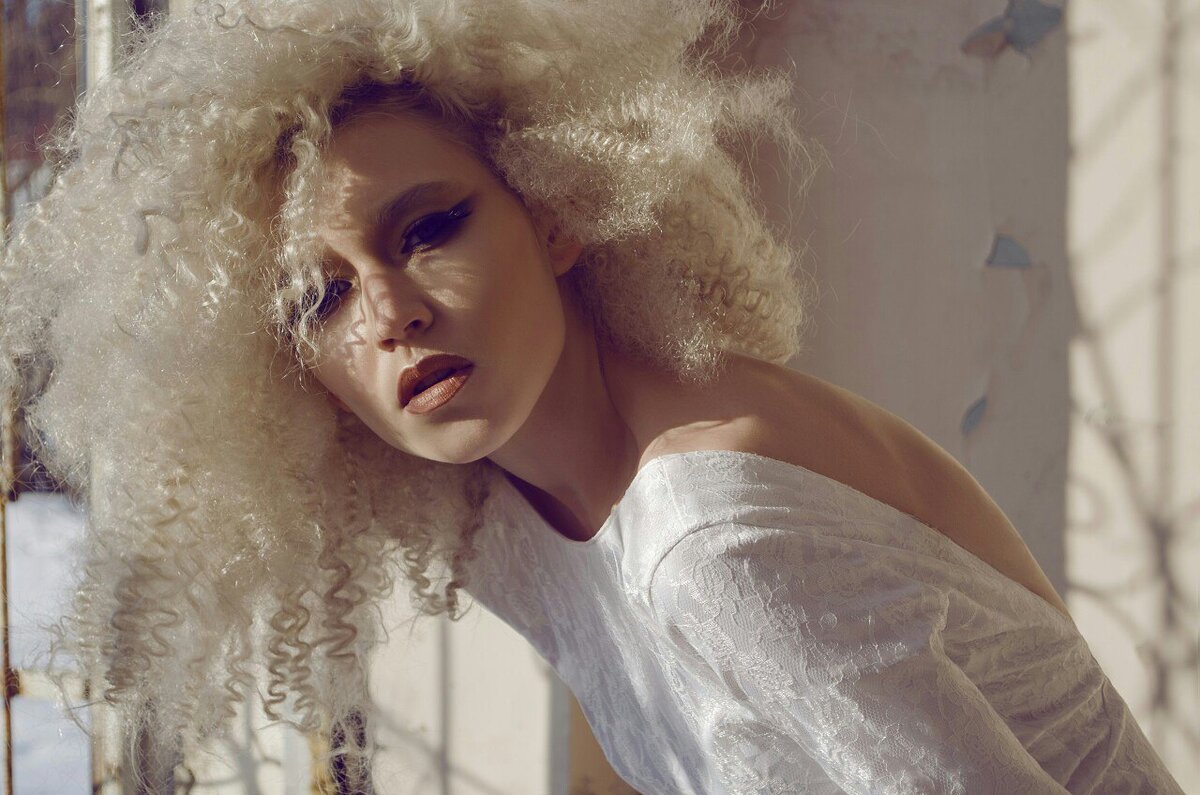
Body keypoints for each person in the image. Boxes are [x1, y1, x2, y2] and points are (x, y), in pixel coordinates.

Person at [0, 1, 1184, 793]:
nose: (389, 314)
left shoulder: (717, 538)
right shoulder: (506, 510)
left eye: (428, 229)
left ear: (556, 208)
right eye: (320, 300)